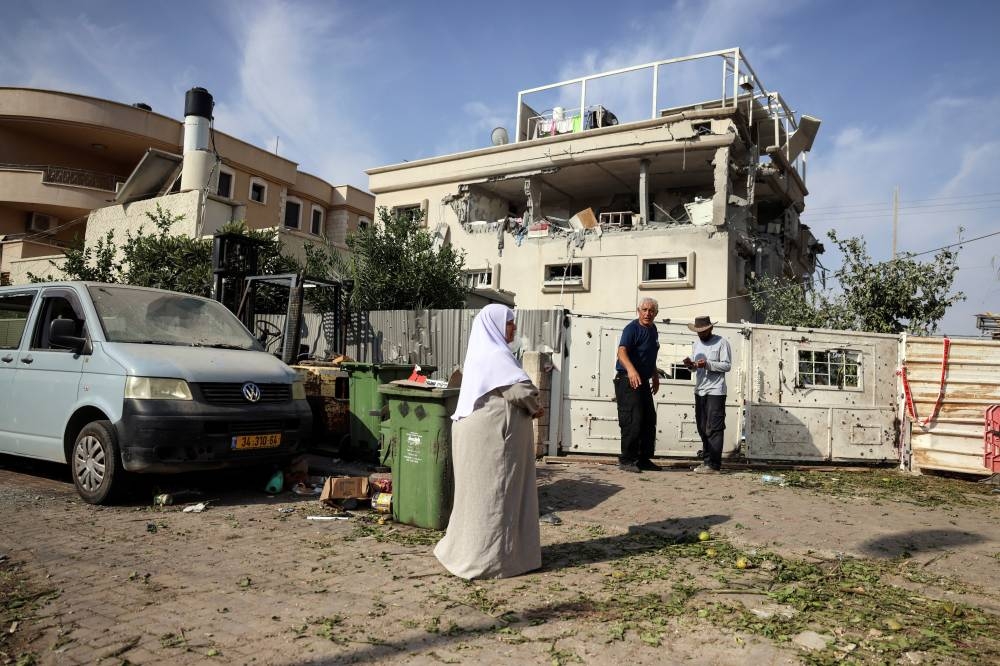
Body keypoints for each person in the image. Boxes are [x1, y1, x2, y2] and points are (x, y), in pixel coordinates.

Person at [434, 304, 544, 579]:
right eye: (509, 323)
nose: (514, 328)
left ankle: (466, 552)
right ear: (494, 325)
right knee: (497, 495)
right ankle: (494, 561)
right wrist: (536, 405)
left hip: (479, 436)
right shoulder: (496, 355)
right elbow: (520, 390)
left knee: (478, 496)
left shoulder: (482, 352)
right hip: (494, 441)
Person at [614, 297, 660, 473]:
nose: (648, 313)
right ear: (638, 311)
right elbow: (621, 352)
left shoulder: (653, 329)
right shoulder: (632, 329)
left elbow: (650, 355)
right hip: (627, 379)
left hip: (643, 380)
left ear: (656, 313)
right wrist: (632, 371)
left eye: (651, 311)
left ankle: (643, 459)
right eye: (645, 310)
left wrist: (655, 376)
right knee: (632, 420)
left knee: (649, 419)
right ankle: (626, 460)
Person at [683, 316, 732, 473]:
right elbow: (695, 369)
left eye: (703, 331)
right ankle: (707, 462)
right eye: (698, 331)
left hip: (716, 391)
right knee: (702, 427)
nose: (700, 334)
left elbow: (727, 366)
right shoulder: (696, 344)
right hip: (700, 390)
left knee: (714, 427)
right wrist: (691, 366)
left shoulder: (722, 342)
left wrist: (708, 364)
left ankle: (714, 465)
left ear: (711, 328)